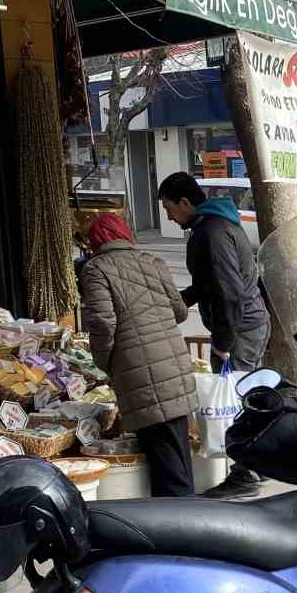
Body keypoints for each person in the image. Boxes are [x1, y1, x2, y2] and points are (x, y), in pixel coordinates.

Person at [158, 170, 270, 500]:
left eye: (169, 208)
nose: (168, 215)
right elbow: (210, 284)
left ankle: (246, 474)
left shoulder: (212, 232)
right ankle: (255, 465)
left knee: (235, 399)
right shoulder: (215, 225)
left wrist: (222, 342)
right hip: (244, 323)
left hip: (241, 327)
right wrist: (181, 300)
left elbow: (228, 292)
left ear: (185, 202)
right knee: (244, 395)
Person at [78, 214, 197, 498]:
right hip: (173, 362)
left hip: (138, 370)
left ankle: (180, 531)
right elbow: (179, 311)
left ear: (96, 241)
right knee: (176, 454)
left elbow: (103, 323)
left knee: (166, 463)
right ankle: (184, 521)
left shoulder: (96, 269)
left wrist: (104, 360)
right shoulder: (152, 261)